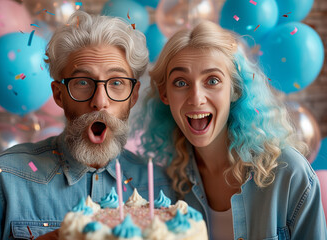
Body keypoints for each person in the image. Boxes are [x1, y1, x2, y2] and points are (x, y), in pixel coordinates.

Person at [0, 11, 176, 239]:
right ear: (59, 94)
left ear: (133, 96)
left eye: (116, 82)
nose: (99, 101)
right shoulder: (0, 179)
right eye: (83, 82)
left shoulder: (161, 185)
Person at [133, 20, 327, 239]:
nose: (196, 98)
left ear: (235, 90)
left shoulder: (290, 174)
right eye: (180, 82)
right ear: (164, 94)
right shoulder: (167, 183)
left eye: (212, 80)